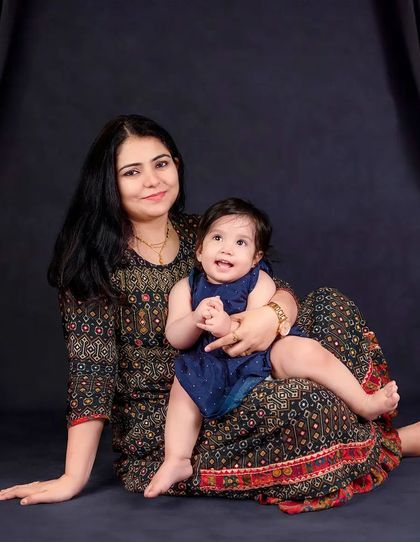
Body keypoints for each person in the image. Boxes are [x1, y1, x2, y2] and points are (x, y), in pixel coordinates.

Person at [0, 115, 419, 514]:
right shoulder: (93, 266)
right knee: (309, 403)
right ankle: (390, 441)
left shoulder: (202, 230)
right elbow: (91, 374)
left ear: (176, 165)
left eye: (161, 164)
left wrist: (270, 315)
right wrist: (73, 477)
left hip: (245, 371)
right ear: (108, 184)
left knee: (329, 304)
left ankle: (360, 435)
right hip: (178, 416)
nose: (152, 180)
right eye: (131, 172)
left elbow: (278, 286)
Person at [144, 198, 400, 497]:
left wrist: (227, 326)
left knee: (301, 350)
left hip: (261, 356)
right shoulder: (184, 289)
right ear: (200, 250)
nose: (226, 248)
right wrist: (194, 318)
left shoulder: (259, 281)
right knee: (183, 384)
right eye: (217, 238)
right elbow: (176, 337)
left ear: (255, 257)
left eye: (240, 242)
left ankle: (363, 402)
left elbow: (255, 333)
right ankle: (177, 458)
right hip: (209, 362)